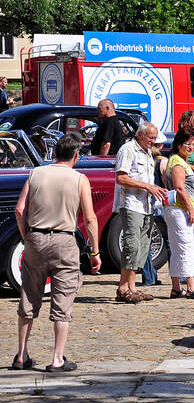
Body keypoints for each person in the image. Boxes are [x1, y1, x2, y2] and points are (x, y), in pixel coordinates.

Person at [13, 133, 102, 372]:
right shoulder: (79, 178)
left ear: (55, 153)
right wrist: (95, 251)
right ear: (76, 155)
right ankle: (57, 359)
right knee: (62, 301)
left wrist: (27, 237)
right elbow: (91, 218)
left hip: (36, 238)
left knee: (29, 297)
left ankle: (21, 355)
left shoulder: (36, 173)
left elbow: (20, 210)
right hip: (64, 241)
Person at [114, 122, 167, 304]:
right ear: (140, 135)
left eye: (155, 138)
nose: (153, 141)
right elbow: (121, 177)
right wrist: (147, 186)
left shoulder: (146, 152)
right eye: (151, 138)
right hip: (132, 204)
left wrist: (155, 189)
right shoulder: (128, 149)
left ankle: (132, 287)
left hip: (146, 206)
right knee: (132, 245)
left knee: (143, 247)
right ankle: (123, 287)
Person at [163, 130, 194, 299]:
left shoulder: (178, 161)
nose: (191, 147)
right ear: (178, 145)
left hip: (176, 209)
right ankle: (191, 286)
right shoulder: (177, 162)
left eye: (193, 144)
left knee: (177, 249)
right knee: (187, 248)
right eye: (188, 144)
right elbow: (179, 188)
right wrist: (191, 209)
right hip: (180, 210)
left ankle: (176, 287)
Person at [141, 130, 168, 287]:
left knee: (146, 242)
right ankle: (179, 277)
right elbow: (166, 184)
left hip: (147, 203)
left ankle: (149, 276)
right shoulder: (161, 161)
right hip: (159, 205)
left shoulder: (145, 159)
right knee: (169, 241)